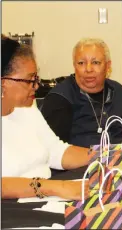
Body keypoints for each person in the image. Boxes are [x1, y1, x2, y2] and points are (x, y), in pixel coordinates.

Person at [1, 36, 91, 200]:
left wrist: (108, 155)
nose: (36, 86)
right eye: (29, 80)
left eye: (36, 78)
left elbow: (56, 151)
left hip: (47, 199)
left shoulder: (27, 108)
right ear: (3, 83)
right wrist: (56, 187)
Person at [40, 38, 122, 152]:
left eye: (96, 62)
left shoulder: (118, 91)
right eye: (81, 63)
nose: (88, 69)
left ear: (108, 66)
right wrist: (101, 158)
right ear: (74, 66)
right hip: (79, 167)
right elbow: (54, 151)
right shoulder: (59, 98)